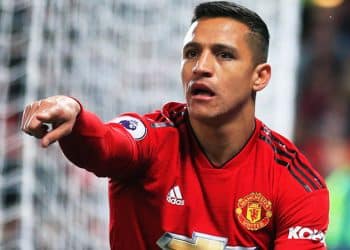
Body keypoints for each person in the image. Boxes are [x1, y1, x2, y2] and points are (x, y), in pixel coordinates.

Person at [21, 1, 329, 249]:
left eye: (223, 55)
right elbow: (104, 145)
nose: (201, 68)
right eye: (192, 53)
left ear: (260, 76)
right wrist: (75, 115)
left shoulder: (296, 184)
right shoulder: (153, 139)